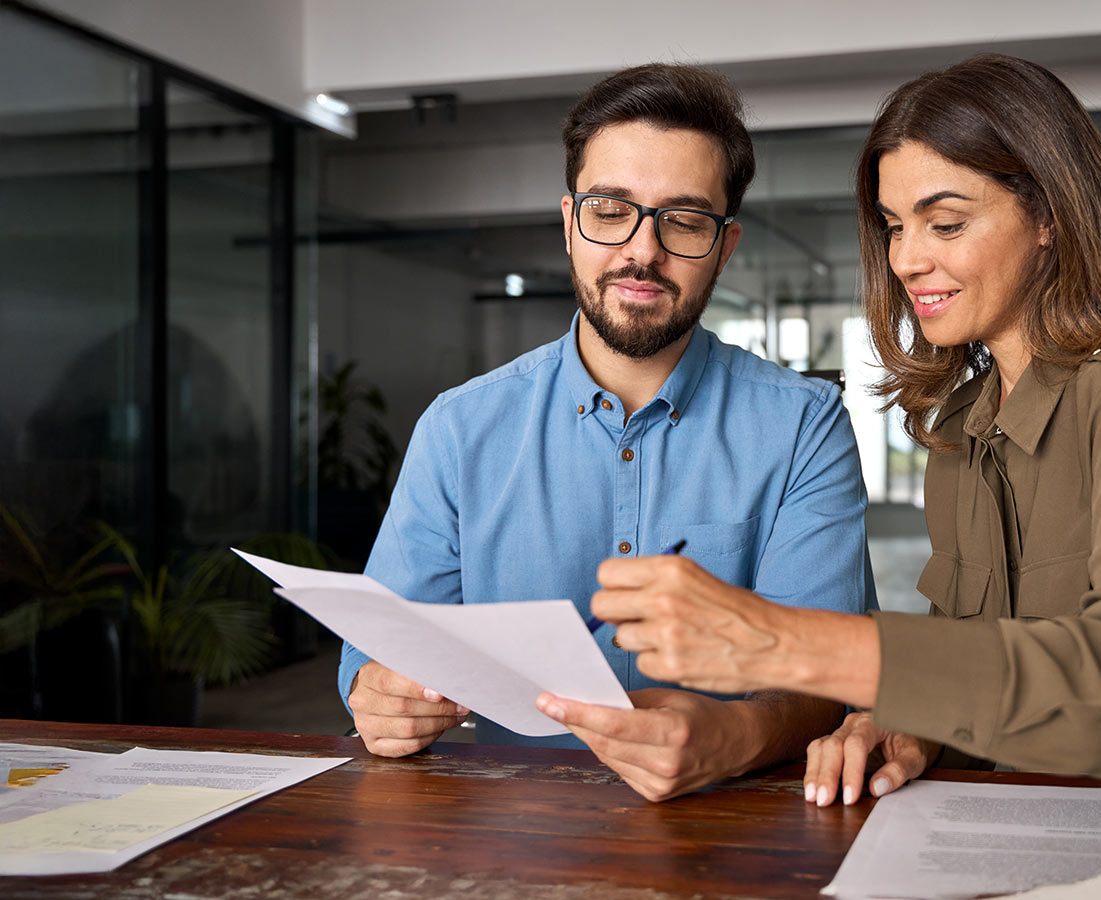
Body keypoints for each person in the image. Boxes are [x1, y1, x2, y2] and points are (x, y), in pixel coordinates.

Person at [586, 54, 1101, 806]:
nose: (906, 259)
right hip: (1058, 785)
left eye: (946, 222)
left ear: (1048, 216)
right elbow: (992, 675)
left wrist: (782, 642)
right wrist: (915, 725)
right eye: (894, 226)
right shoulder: (962, 429)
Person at [338, 63, 874, 802]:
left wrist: (734, 735)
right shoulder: (459, 430)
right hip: (513, 828)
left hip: (737, 826)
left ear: (724, 247)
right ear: (570, 223)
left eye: (683, 220)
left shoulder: (804, 427)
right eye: (612, 209)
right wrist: (378, 695)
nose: (642, 250)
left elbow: (828, 679)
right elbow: (375, 654)